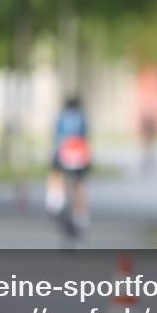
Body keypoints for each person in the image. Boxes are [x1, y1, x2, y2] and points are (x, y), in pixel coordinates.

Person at [46, 95, 91, 232]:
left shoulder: (61, 117)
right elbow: (85, 137)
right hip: (80, 154)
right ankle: (80, 216)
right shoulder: (82, 118)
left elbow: (56, 136)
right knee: (79, 184)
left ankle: (55, 200)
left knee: (55, 173)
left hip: (63, 152)